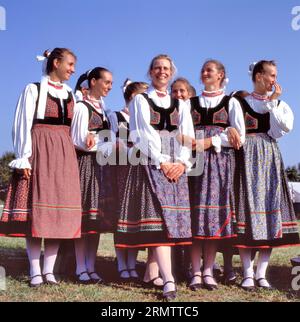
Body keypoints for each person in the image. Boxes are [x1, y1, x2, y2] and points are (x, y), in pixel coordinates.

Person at [114, 54, 194, 301]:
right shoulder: (141, 100)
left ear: (171, 72)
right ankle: (169, 280)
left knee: (170, 222)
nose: (162, 72)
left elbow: (186, 135)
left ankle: (151, 272)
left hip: (175, 168)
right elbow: (142, 135)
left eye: (166, 68)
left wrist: (181, 162)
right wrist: (162, 160)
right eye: (158, 68)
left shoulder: (180, 104)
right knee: (159, 222)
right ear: (150, 72)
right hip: (152, 163)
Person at [0, 48, 82, 287]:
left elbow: (74, 131)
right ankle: (35, 270)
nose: (73, 69)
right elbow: (23, 123)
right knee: (37, 214)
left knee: (58, 213)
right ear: (56, 63)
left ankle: (49, 271)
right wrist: (23, 157)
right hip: (39, 150)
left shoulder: (69, 94)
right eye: (69, 64)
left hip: (64, 153)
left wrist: (85, 140)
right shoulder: (33, 89)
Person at [232, 60, 300, 291]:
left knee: (270, 211)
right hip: (246, 156)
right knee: (246, 211)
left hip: (269, 156)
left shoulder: (278, 104)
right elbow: (234, 129)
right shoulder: (240, 103)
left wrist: (272, 104)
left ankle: (261, 273)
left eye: (275, 75)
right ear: (259, 76)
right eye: (271, 75)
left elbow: (282, 128)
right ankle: (247, 273)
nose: (274, 80)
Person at [188, 59, 245, 291]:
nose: (204, 73)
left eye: (209, 70)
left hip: (220, 162)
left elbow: (239, 136)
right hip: (193, 160)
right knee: (194, 216)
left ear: (221, 75)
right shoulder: (190, 103)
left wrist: (212, 140)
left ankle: (209, 270)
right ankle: (195, 271)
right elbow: (182, 130)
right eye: (202, 70)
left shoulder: (231, 102)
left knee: (212, 216)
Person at [71, 67, 115, 284]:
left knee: (94, 219)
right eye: (106, 82)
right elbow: (78, 141)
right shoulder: (81, 107)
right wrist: (105, 144)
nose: (109, 87)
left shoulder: (103, 109)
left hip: (101, 167)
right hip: (86, 166)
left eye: (111, 83)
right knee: (84, 217)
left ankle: (90, 265)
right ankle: (80, 267)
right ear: (93, 81)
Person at [110, 79, 150, 282]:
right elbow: (108, 144)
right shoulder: (116, 116)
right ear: (130, 97)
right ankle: (121, 263)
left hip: (141, 169)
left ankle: (132, 264)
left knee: (134, 215)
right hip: (122, 170)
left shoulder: (147, 117)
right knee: (121, 216)